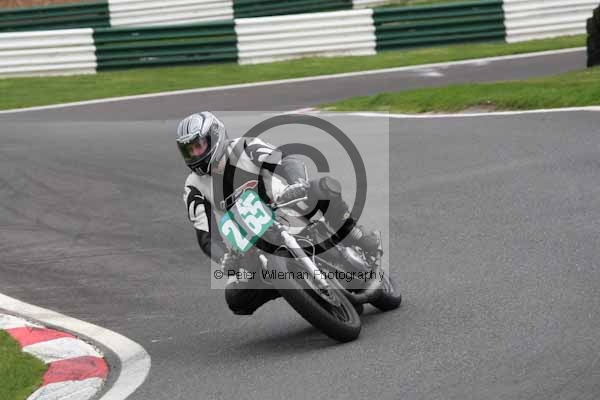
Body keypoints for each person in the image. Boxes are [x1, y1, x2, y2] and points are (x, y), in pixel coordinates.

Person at [178, 112, 381, 315]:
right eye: (189, 150)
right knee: (236, 297)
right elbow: (206, 236)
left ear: (215, 137)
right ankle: (293, 286)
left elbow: (286, 161)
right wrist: (224, 258)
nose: (195, 154)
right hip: (249, 243)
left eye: (198, 146)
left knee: (322, 187)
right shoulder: (193, 186)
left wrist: (297, 184)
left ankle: (355, 234)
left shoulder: (245, 147)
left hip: (284, 206)